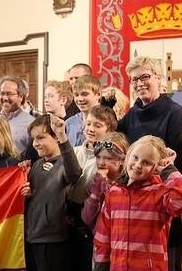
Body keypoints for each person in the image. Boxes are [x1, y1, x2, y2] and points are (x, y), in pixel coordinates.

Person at [117, 56, 182, 271]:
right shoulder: (132, 114)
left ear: (159, 79)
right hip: (135, 206)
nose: (139, 83)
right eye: (134, 79)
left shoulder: (175, 115)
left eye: (145, 77)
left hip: (164, 204)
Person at [93, 136, 182, 271]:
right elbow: (103, 236)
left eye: (147, 162)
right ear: (128, 156)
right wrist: (100, 266)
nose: (138, 165)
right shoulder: (114, 192)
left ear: (156, 167)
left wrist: (168, 168)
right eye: (135, 157)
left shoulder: (161, 192)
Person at [20, 114, 82, 271]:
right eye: (33, 139)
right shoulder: (36, 165)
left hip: (54, 239)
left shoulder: (65, 163)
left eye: (41, 138)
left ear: (56, 137)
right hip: (32, 237)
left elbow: (74, 172)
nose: (35, 143)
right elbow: (36, 196)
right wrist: (27, 193)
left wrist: (62, 136)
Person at [66, 105, 118, 271]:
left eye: (97, 125)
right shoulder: (73, 152)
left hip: (94, 220)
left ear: (108, 129)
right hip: (69, 216)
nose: (90, 128)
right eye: (88, 124)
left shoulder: (109, 160)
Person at [81, 132, 129, 230]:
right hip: (98, 238)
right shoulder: (95, 182)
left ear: (122, 160)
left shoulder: (128, 184)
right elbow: (87, 219)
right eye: (98, 157)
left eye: (108, 158)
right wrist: (95, 195)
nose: (101, 163)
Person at [0, 75, 35, 154]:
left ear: (21, 97)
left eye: (9, 94)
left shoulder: (31, 123)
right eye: (2, 93)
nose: (5, 98)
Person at [66, 75, 101, 146]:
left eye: (85, 94)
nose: (80, 99)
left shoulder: (108, 120)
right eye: (76, 95)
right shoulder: (69, 123)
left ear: (98, 94)